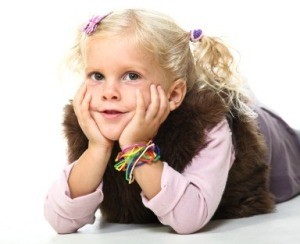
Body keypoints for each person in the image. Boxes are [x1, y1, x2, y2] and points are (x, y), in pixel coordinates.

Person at [44, 9, 300, 234]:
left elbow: (188, 220)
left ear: (174, 94)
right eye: (97, 75)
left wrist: (136, 147)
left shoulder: (207, 124)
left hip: (272, 144)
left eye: (131, 76)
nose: (108, 92)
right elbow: (60, 222)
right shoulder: (95, 122)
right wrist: (97, 149)